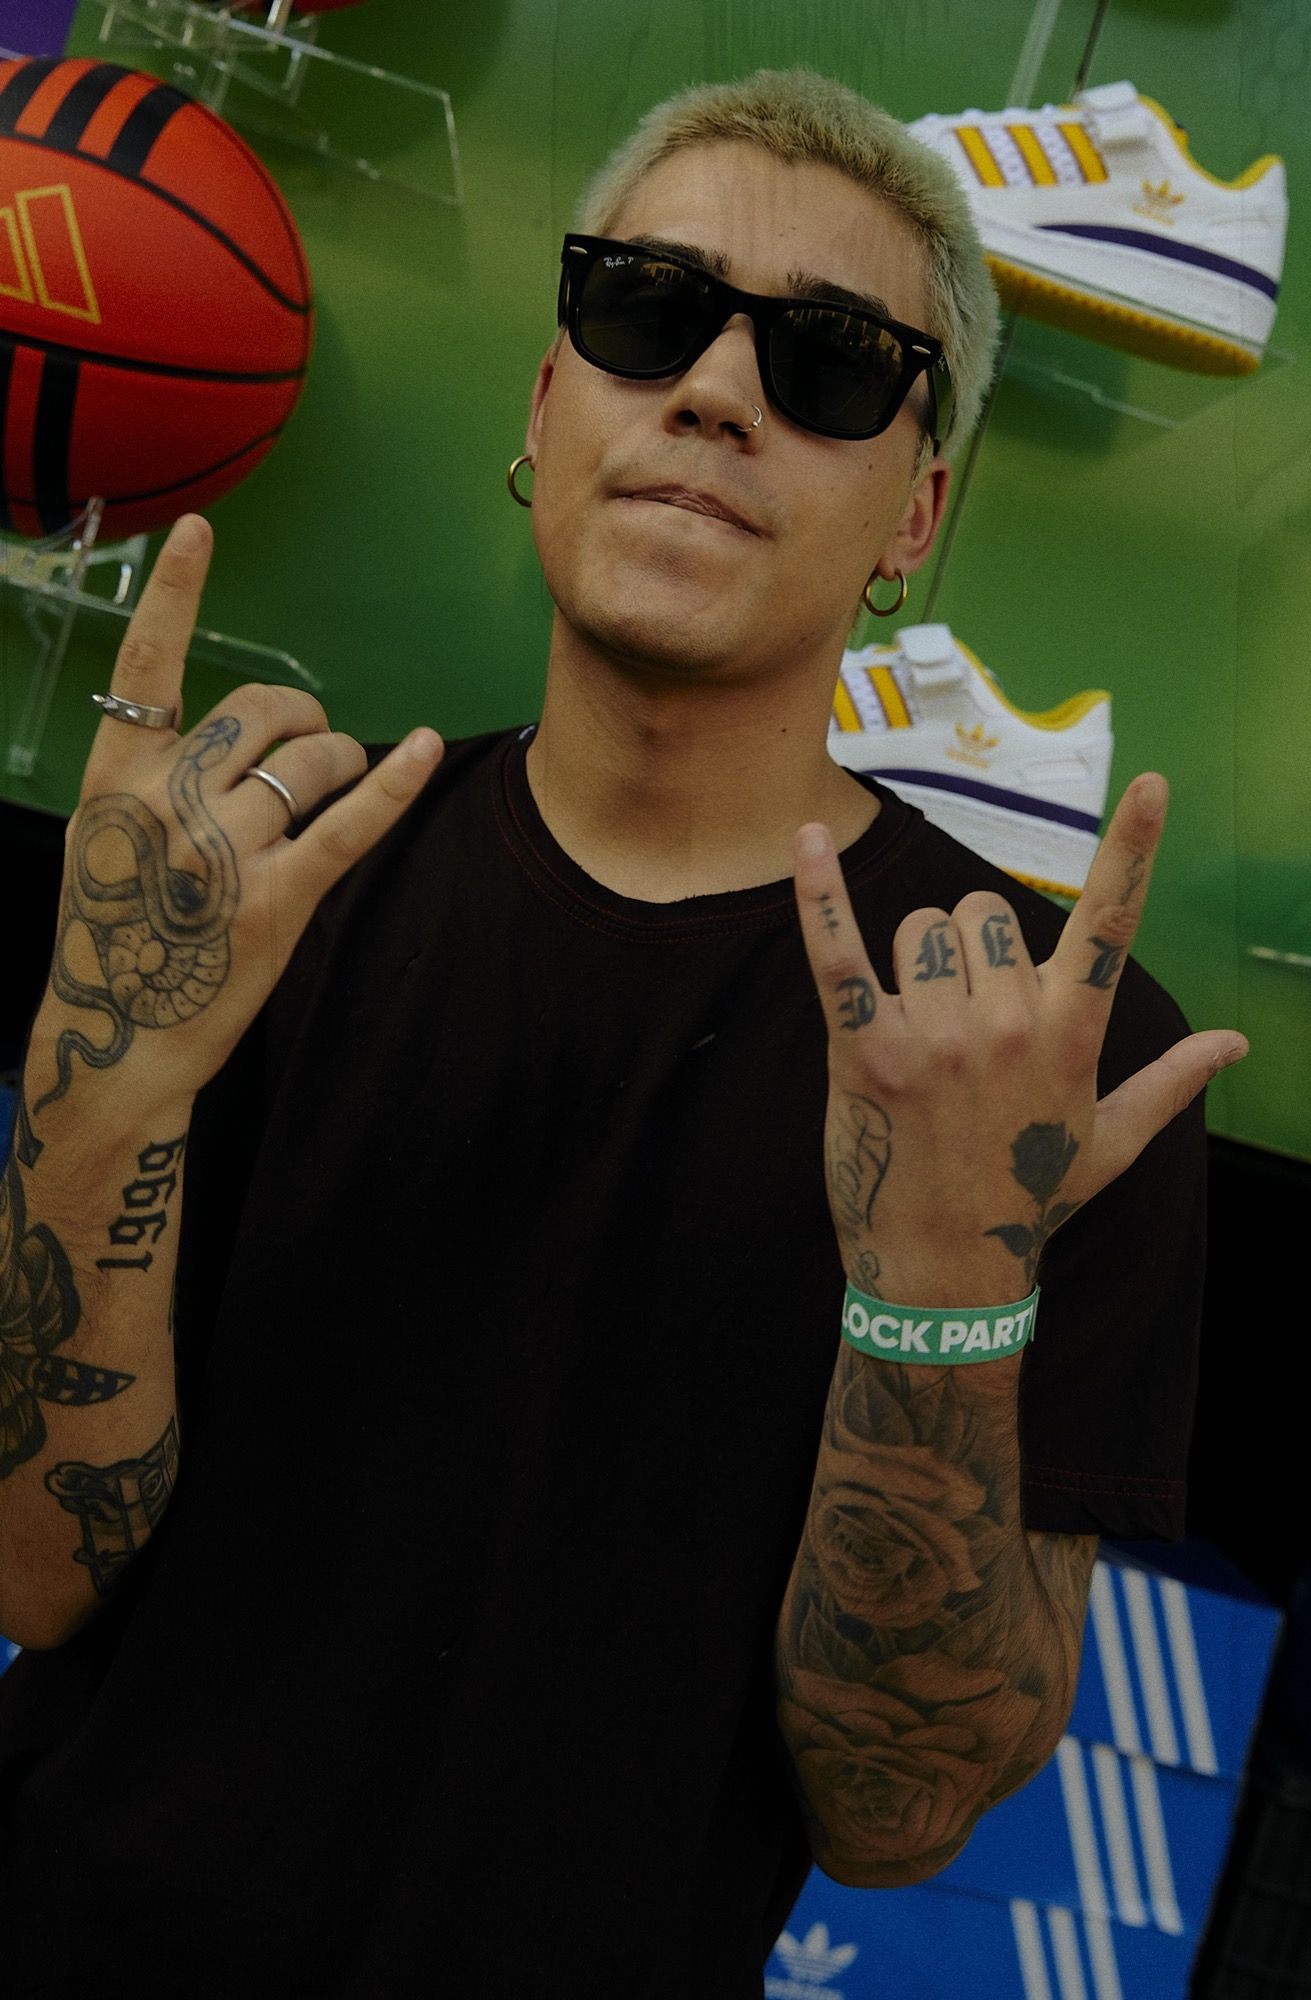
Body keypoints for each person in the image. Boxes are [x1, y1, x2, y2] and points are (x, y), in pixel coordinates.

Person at [0, 68, 1244, 1999]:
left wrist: (939, 1295)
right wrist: (109, 1067)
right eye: (646, 310)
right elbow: (37, 1565)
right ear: (545, 405)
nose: (717, 390)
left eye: (831, 363)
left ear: (916, 514)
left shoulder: (1033, 1049)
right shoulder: (273, 892)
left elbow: (897, 1815)